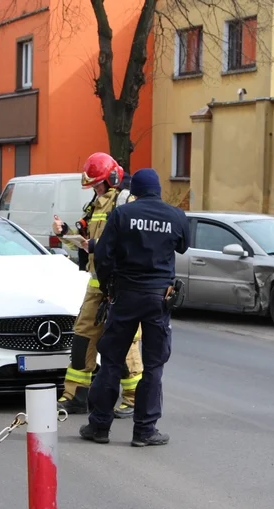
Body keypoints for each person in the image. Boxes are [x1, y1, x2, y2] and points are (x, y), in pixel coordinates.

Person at [79, 168, 189, 447]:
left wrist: (107, 288)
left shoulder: (122, 214)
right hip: (158, 299)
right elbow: (184, 246)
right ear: (159, 189)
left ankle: (99, 426)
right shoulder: (175, 216)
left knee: (112, 362)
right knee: (153, 366)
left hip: (125, 296)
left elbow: (103, 255)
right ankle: (145, 430)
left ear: (135, 191)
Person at [52, 152, 143, 419]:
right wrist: (63, 232)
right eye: (93, 185)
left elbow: (131, 243)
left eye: (98, 184)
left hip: (121, 284)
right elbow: (83, 239)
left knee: (126, 340)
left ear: (113, 178)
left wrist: (96, 248)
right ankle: (76, 395)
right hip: (96, 285)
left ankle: (133, 398)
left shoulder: (126, 202)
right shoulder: (97, 205)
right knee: (82, 337)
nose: (95, 188)